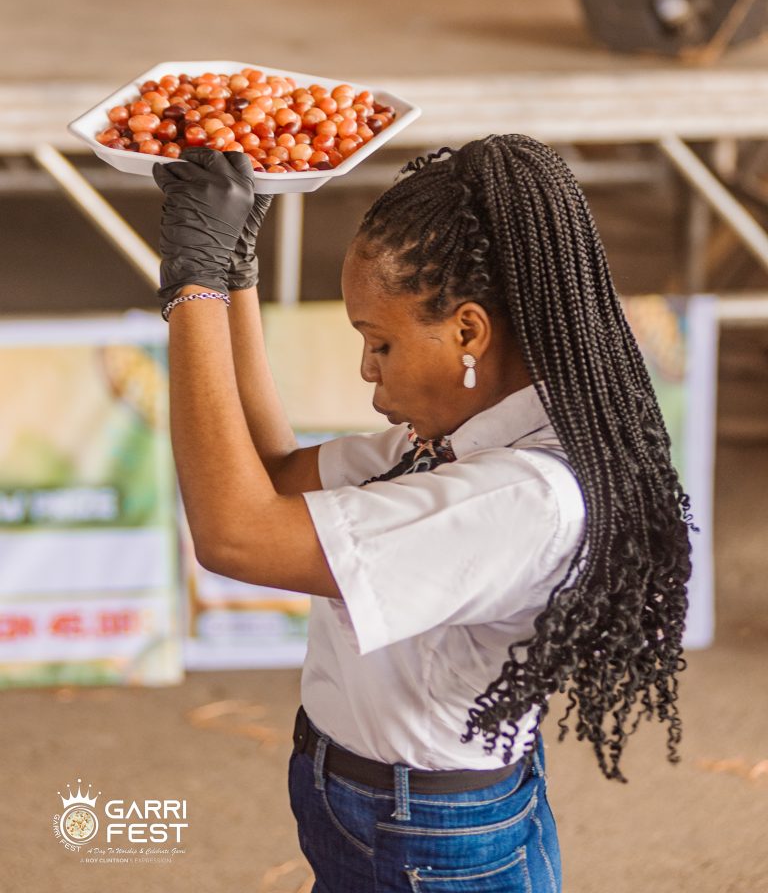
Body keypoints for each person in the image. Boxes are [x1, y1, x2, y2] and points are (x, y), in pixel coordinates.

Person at [153, 133, 695, 893]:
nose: (368, 373)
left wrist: (194, 287)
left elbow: (235, 533)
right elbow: (275, 478)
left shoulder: (516, 499)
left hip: (427, 850)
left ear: (468, 331)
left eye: (380, 343)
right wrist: (236, 273)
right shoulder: (459, 443)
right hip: (377, 816)